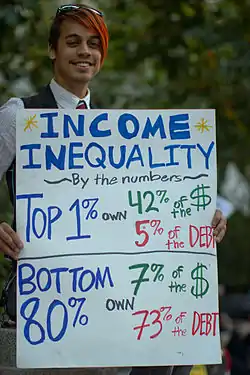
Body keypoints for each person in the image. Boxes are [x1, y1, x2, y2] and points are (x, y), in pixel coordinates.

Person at [0, 4, 227, 375]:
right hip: (47, 303)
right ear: (52, 50)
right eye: (73, 42)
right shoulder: (19, 116)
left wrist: (201, 222)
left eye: (94, 44)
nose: (84, 52)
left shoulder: (120, 133)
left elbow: (150, 209)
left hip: (112, 304)